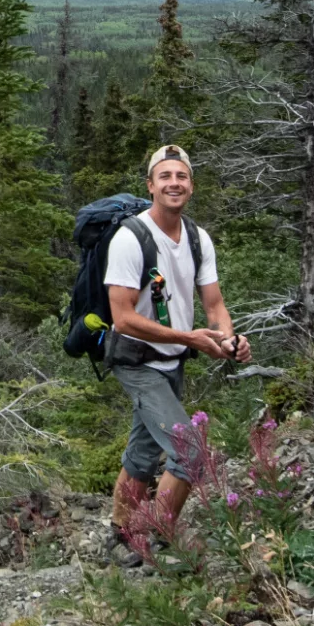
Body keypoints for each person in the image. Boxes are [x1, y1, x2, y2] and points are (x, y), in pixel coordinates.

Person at [102, 145, 248, 559]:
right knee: (191, 453)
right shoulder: (131, 238)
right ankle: (155, 537)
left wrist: (227, 339)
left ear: (191, 185)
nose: (174, 183)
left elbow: (215, 305)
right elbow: (124, 317)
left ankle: (119, 533)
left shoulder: (198, 239)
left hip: (171, 360)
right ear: (150, 185)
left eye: (181, 176)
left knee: (145, 451)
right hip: (135, 359)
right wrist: (189, 338)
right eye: (165, 176)